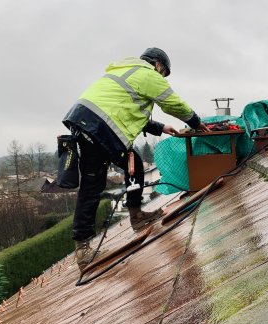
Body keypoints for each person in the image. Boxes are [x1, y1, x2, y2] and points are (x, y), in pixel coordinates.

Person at [62, 47, 208, 272]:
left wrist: (161, 128)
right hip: (98, 127)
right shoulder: (148, 74)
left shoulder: (127, 71)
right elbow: (173, 104)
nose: (162, 77)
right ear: (158, 64)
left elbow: (124, 110)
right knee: (94, 183)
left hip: (85, 120)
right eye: (164, 72)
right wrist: (197, 124)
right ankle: (84, 247)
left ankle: (135, 215)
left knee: (133, 165)